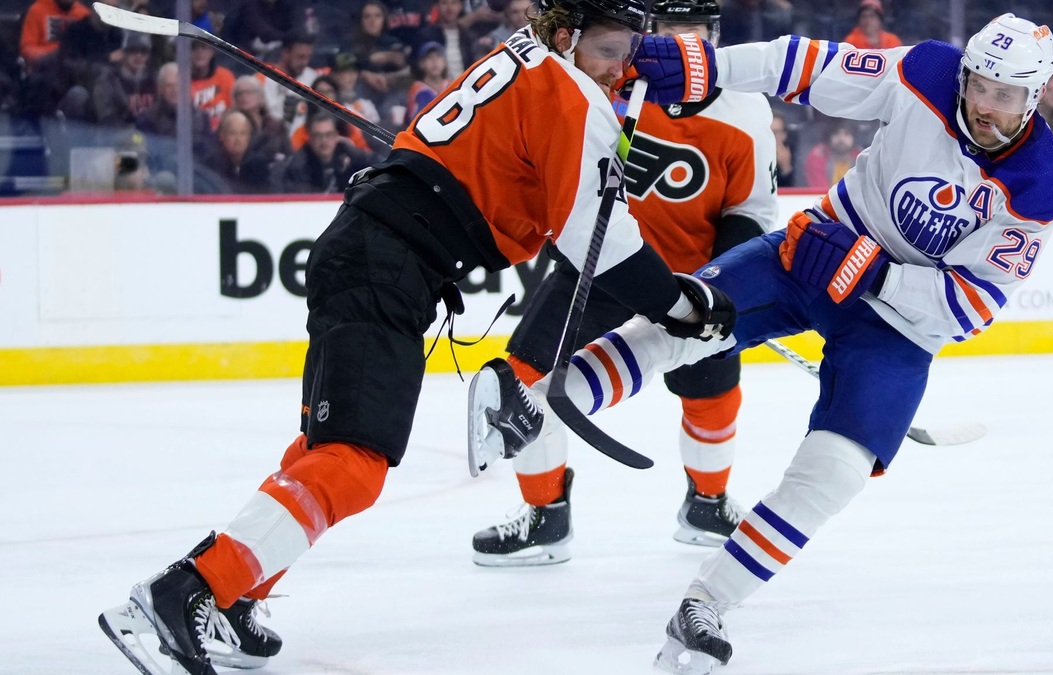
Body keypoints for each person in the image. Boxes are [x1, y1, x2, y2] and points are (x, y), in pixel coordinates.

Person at [97, 1, 726, 673]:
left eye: (629, 51)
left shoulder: (524, 53)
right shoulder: (573, 97)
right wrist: (680, 305)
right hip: (387, 263)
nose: (619, 67)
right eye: (607, 49)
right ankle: (183, 592)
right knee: (355, 463)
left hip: (367, 247)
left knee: (321, 452)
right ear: (567, 36)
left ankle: (234, 595)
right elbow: (600, 243)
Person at [468, 13, 1053, 673]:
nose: (983, 103)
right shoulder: (929, 72)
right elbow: (807, 66)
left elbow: (970, 306)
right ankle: (531, 409)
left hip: (896, 325)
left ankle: (706, 604)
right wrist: (709, 67)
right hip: (815, 251)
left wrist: (874, 273)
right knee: (686, 321)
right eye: (978, 84)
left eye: (1003, 94)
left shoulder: (1041, 181)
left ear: (1034, 95)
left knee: (835, 473)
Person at [470, 0, 777, 566]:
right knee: (523, 379)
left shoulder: (746, 107)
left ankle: (707, 505)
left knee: (711, 395)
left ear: (714, 36)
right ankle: (545, 516)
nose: (683, 46)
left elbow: (750, 211)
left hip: (692, 280)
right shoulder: (612, 78)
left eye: (695, 33)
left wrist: (721, 282)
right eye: (670, 32)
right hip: (601, 265)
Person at [278, 112, 372, 193]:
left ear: (336, 136)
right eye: (318, 135)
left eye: (329, 134)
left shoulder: (349, 153)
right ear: (310, 138)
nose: (324, 140)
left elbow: (374, 165)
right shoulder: (299, 164)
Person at [91, 32, 155, 128]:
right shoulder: (108, 80)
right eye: (133, 50)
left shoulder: (155, 79)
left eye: (144, 51)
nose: (138, 55)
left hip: (151, 135)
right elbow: (107, 118)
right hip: (117, 134)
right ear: (124, 53)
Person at [19, 0, 90, 68]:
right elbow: (27, 49)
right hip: (44, 69)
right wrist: (55, 54)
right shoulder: (37, 10)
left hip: (76, 70)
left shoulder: (84, 14)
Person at [803, 118, 861, 190]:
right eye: (836, 133)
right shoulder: (818, 157)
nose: (841, 139)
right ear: (829, 137)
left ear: (854, 138)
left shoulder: (861, 158)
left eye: (847, 134)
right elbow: (820, 191)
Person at [190, 41, 235, 131]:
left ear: (212, 52)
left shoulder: (225, 76)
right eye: (194, 48)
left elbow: (234, 108)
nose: (199, 52)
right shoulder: (178, 78)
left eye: (204, 47)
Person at [405, 41, 450, 125]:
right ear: (422, 64)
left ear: (444, 62)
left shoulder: (453, 86)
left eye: (438, 57)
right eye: (429, 58)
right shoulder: (417, 90)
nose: (434, 61)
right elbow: (414, 121)